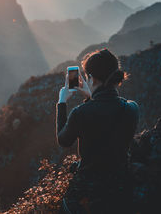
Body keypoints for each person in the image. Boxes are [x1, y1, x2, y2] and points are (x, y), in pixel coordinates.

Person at [56, 48, 139, 213]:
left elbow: (63, 140)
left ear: (91, 78)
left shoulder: (80, 113)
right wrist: (90, 95)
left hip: (89, 193)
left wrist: (62, 102)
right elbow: (105, 114)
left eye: (88, 76)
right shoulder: (131, 108)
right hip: (121, 188)